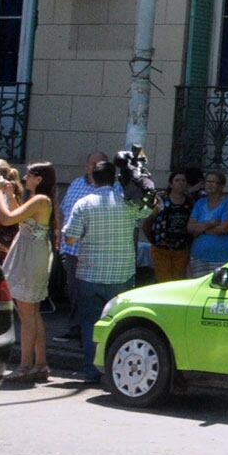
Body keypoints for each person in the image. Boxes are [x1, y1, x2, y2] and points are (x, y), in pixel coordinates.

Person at [64, 159, 138, 385]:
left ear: (93, 179)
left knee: (90, 324)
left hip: (90, 274)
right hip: (122, 275)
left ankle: (92, 371)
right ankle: (114, 370)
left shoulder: (84, 204)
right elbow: (148, 211)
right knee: (119, 325)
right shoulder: (127, 203)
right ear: (114, 178)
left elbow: (70, 237)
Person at [0, 161, 58, 383]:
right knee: (32, 312)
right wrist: (9, 195)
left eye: (29, 175)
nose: (24, 178)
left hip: (30, 257)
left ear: (39, 179)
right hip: (32, 254)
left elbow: (8, 219)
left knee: (26, 315)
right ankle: (40, 364)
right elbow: (20, 216)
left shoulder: (40, 199)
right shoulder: (39, 199)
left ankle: (25, 366)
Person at [56, 149, 114, 337]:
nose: (93, 167)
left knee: (92, 294)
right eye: (91, 163)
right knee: (73, 290)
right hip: (72, 249)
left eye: (98, 164)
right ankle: (75, 328)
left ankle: (92, 332)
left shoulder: (114, 189)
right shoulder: (76, 184)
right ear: (86, 166)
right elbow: (64, 211)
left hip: (96, 251)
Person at [142, 171, 196, 281]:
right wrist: (154, 241)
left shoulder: (190, 202)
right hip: (161, 249)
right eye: (177, 180)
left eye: (183, 181)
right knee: (164, 280)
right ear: (171, 184)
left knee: (178, 280)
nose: (180, 183)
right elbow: (147, 223)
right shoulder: (161, 199)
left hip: (181, 249)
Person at [186, 171, 228, 278]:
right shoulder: (199, 203)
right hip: (198, 255)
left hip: (220, 257)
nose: (209, 184)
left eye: (213, 182)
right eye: (207, 181)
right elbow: (190, 227)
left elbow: (224, 228)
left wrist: (201, 230)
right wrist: (211, 223)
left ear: (221, 186)